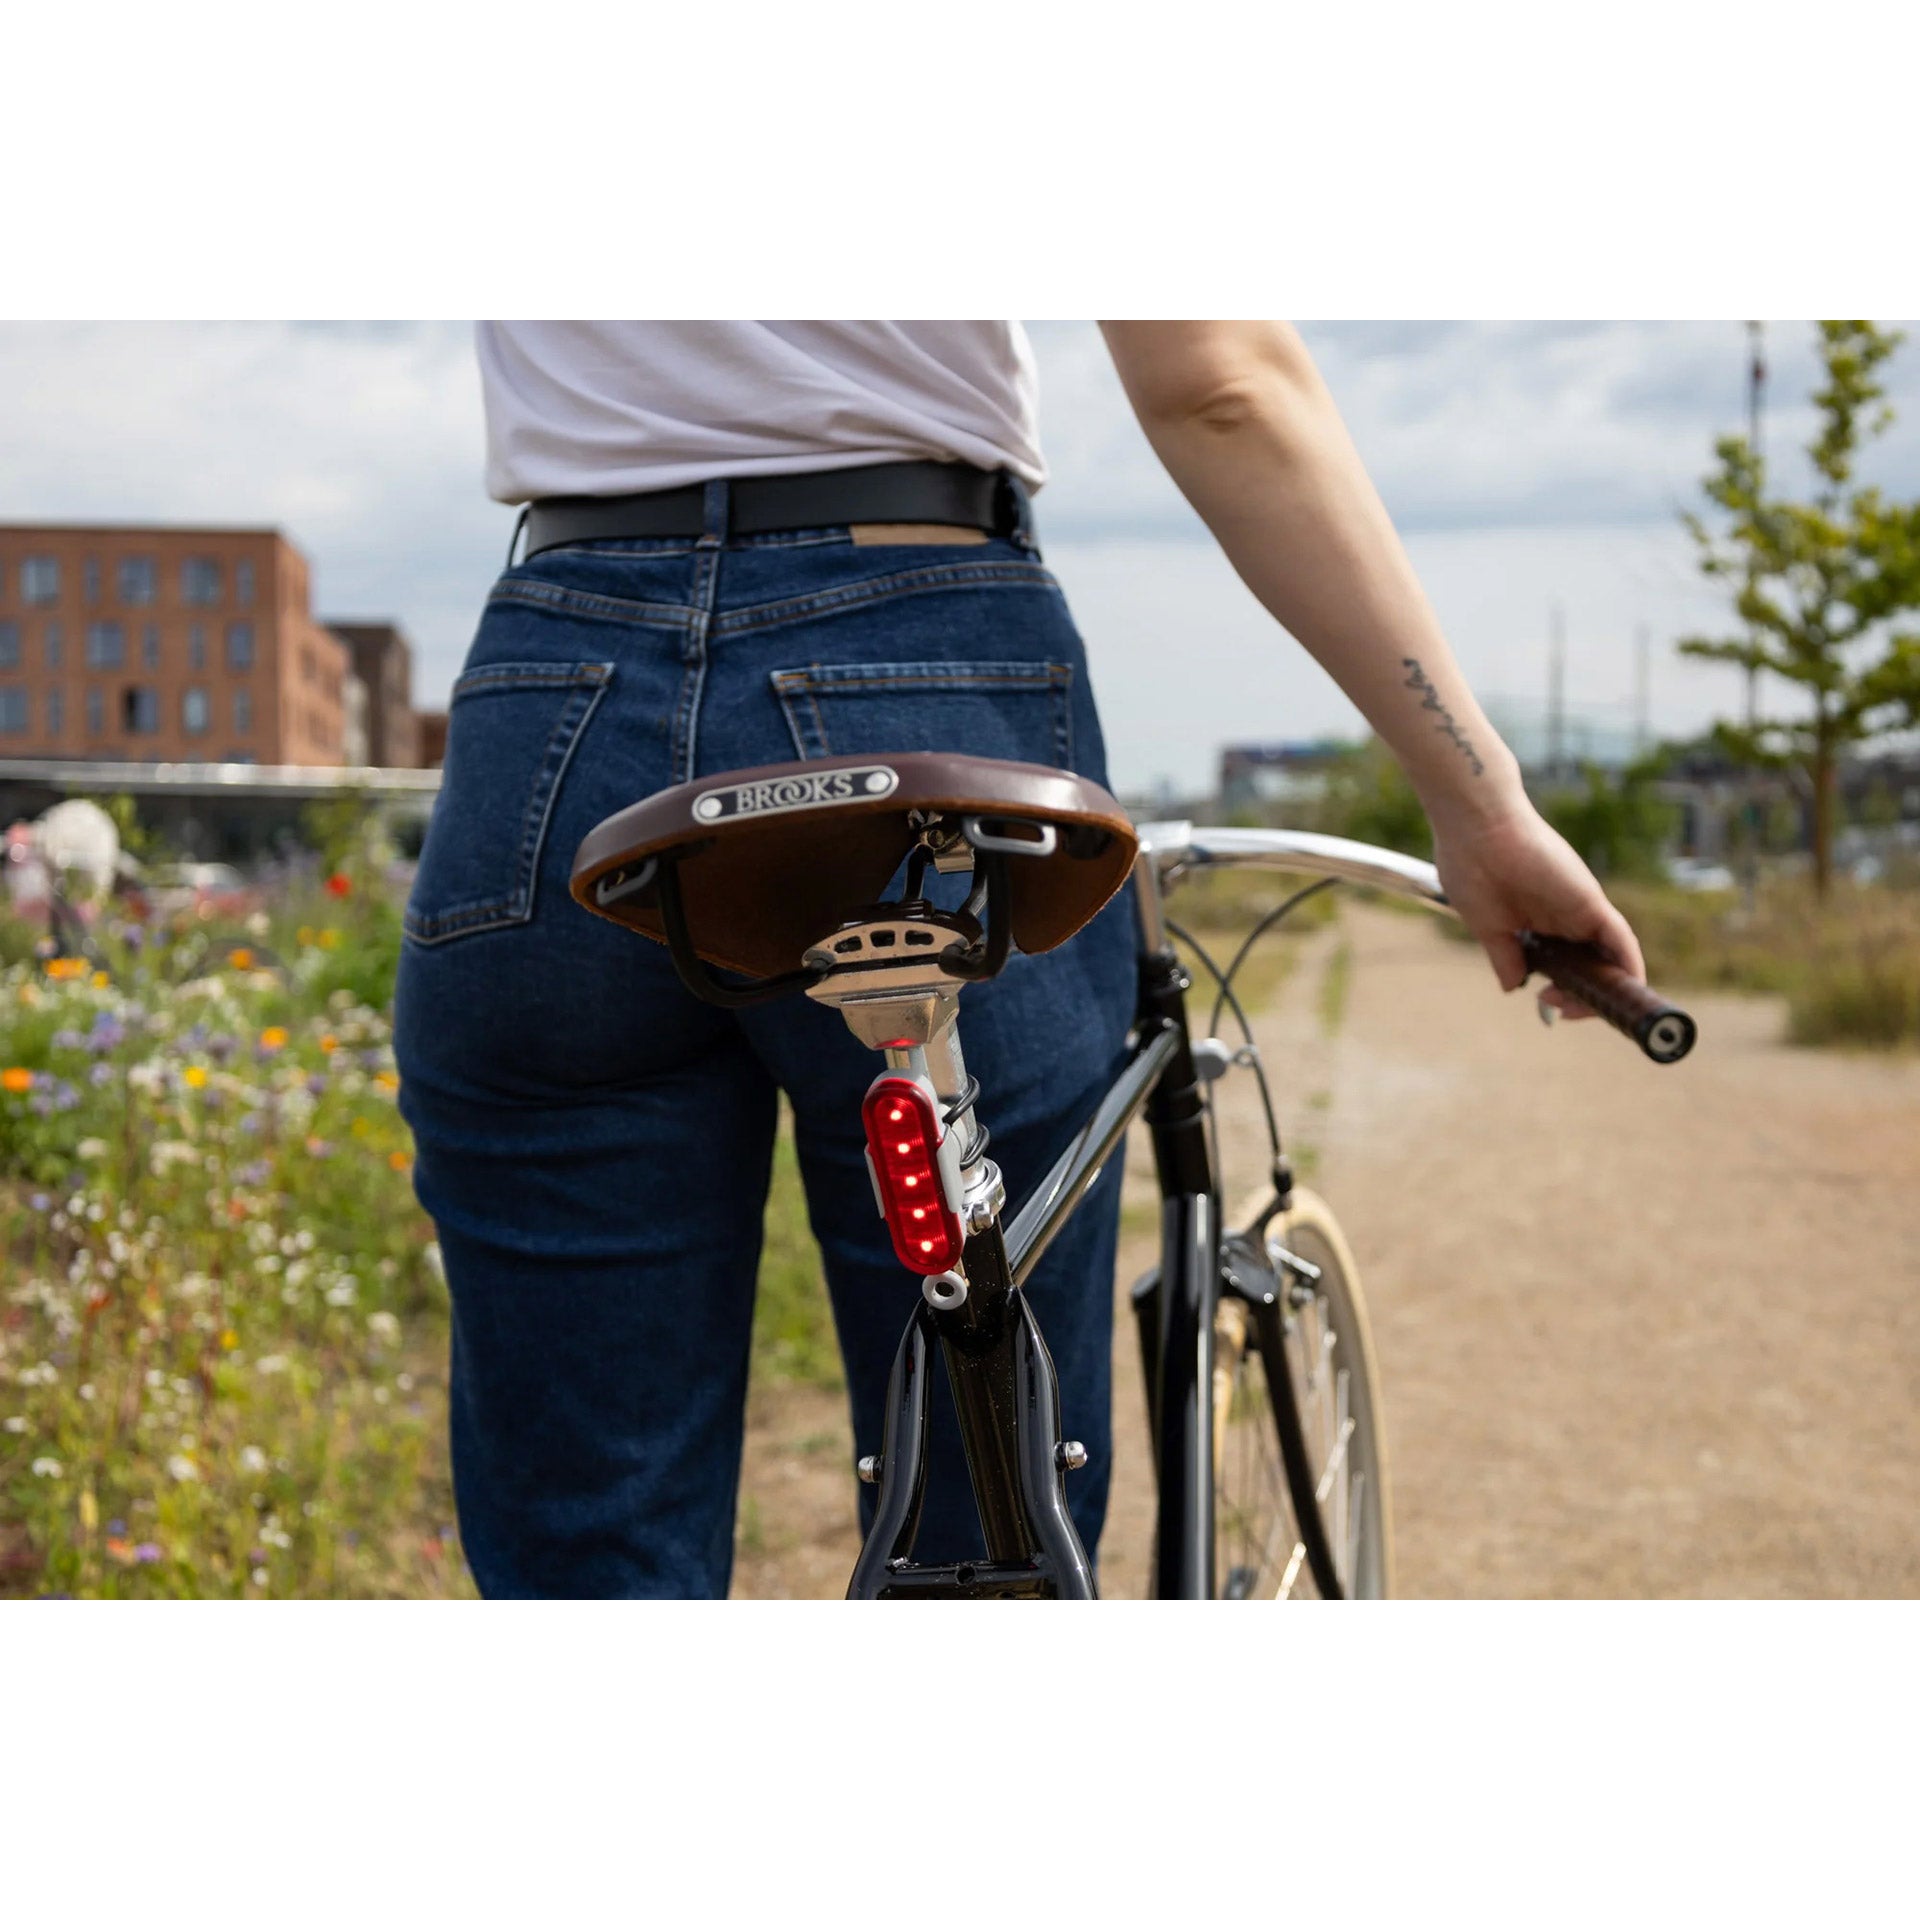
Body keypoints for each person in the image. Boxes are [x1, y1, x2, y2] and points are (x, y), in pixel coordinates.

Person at [394, 320, 1645, 1598]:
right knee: (982, 1529)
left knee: (586, 1552)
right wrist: (1482, 804)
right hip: (922, 660)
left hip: (557, 695)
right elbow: (1221, 385)